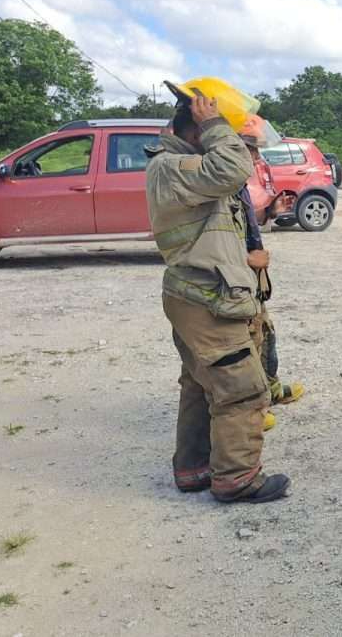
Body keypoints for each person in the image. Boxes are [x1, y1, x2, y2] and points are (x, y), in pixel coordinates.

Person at [145, 77, 290, 504]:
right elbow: (232, 168)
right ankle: (237, 478)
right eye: (230, 133)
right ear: (200, 125)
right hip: (207, 299)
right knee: (242, 388)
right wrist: (214, 125)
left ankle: (193, 469)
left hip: (201, 294)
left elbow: (221, 223)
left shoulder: (188, 168)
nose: (240, 147)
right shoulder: (173, 166)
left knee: (198, 385)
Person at [235, 115, 305, 432]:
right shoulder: (218, 189)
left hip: (249, 279)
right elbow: (215, 243)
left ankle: (271, 392)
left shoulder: (238, 187)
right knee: (245, 347)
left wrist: (269, 212)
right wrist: (247, 260)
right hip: (234, 281)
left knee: (265, 335)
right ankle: (253, 409)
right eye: (251, 150)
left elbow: (246, 225)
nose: (257, 158)